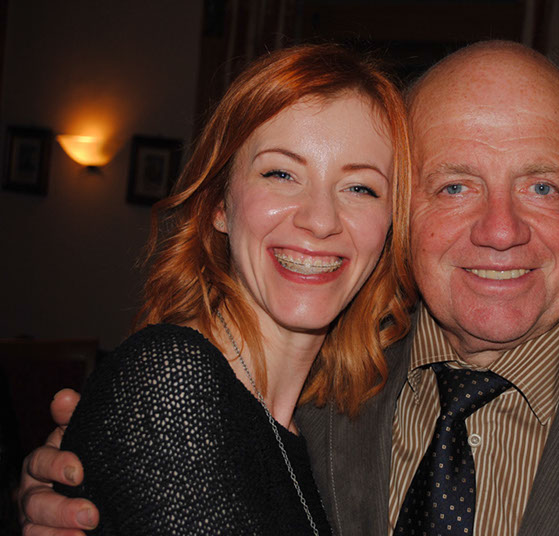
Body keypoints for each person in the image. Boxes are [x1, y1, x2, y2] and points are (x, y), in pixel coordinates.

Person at [19, 41, 559, 535]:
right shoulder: (303, 395)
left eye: (541, 186)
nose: (500, 230)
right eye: (454, 185)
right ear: (407, 216)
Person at [18, 43, 415, 535]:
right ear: (218, 205)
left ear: (390, 228)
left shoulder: (315, 425)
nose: (320, 219)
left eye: (360, 188)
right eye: (281, 174)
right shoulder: (171, 379)